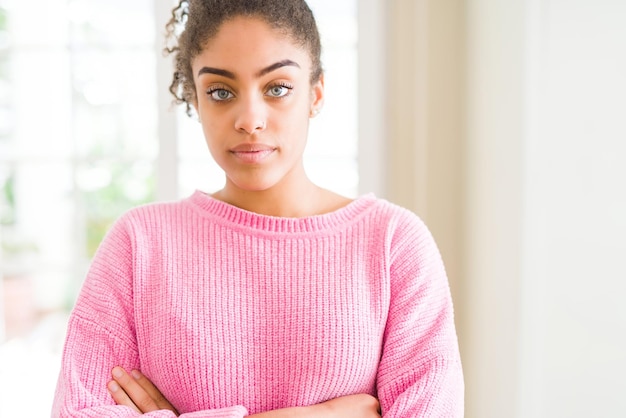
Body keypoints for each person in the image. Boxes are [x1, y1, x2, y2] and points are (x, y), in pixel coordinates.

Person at [51, 0, 464, 416]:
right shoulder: (139, 244)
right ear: (196, 98)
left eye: (278, 88)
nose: (250, 119)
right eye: (221, 92)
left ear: (315, 94)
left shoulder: (393, 244)